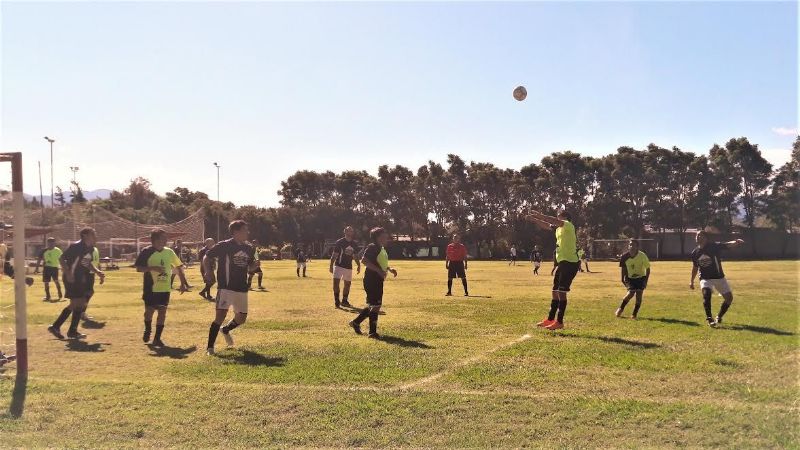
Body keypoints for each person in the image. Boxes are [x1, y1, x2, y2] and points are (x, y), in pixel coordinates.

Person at [204, 220, 257, 355]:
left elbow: (250, 266)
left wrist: (254, 266)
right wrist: (208, 271)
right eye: (245, 230)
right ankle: (210, 348)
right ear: (236, 232)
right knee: (220, 316)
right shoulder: (224, 245)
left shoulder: (249, 248)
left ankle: (226, 329)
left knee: (241, 319)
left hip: (241, 288)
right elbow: (206, 256)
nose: (248, 232)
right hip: (226, 287)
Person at [526, 210, 580, 331]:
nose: (557, 218)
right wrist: (534, 220)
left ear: (565, 217)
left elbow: (552, 220)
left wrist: (538, 214)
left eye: (559, 216)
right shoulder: (559, 229)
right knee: (555, 291)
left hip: (570, 263)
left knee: (561, 292)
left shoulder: (568, 225)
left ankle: (559, 321)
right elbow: (547, 225)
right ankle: (550, 319)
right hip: (562, 262)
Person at [47, 228, 105, 340]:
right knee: (76, 303)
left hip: (80, 278)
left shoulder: (91, 248)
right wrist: (68, 273)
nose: (95, 235)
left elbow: (86, 262)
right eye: (93, 234)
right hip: (72, 277)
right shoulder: (76, 246)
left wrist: (97, 272)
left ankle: (71, 330)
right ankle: (57, 327)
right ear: (85, 235)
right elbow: (61, 258)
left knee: (81, 302)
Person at [135, 229, 189, 347]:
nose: (166, 240)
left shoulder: (169, 252)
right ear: (155, 240)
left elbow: (179, 266)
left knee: (162, 312)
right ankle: (148, 329)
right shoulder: (146, 251)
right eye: (163, 238)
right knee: (149, 312)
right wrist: (153, 268)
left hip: (165, 288)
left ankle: (157, 339)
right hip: (150, 288)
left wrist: (183, 283)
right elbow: (139, 268)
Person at [349, 227, 397, 339]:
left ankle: (355, 323)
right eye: (384, 235)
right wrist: (379, 271)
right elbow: (364, 260)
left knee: (372, 304)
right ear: (378, 237)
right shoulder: (372, 247)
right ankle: (372, 332)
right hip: (371, 279)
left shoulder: (381, 248)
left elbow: (380, 262)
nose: (387, 237)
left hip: (377, 280)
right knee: (376, 305)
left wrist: (389, 269)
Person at [690, 231, 745, 327]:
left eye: (701, 235)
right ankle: (709, 318)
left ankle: (719, 316)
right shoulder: (695, 253)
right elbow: (695, 268)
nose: (698, 237)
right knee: (706, 294)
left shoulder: (713, 246)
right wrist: (691, 281)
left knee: (729, 299)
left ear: (706, 238)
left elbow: (726, 245)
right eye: (697, 235)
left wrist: (736, 242)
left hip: (719, 277)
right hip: (705, 278)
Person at [615, 240, 650, 319]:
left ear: (637, 247)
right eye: (630, 245)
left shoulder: (642, 255)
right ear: (628, 246)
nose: (631, 246)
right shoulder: (624, 257)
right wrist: (622, 279)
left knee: (639, 295)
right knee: (630, 293)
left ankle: (634, 314)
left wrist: (645, 281)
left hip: (641, 278)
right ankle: (620, 309)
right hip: (630, 278)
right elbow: (623, 269)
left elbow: (648, 269)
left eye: (633, 245)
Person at [330, 226, 361, 308]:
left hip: (348, 267)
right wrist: (331, 265)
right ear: (345, 232)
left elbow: (355, 256)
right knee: (336, 283)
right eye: (348, 231)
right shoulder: (339, 242)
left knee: (347, 284)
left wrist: (358, 265)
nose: (350, 232)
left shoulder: (354, 244)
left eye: (351, 231)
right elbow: (335, 254)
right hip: (339, 266)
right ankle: (337, 301)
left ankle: (344, 300)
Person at [81, 245, 101, 321]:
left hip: (91, 273)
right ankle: (81, 312)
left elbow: (97, 262)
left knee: (89, 293)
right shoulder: (87, 249)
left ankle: (81, 312)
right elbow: (85, 262)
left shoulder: (95, 249)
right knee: (88, 293)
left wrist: (100, 273)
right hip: (86, 273)